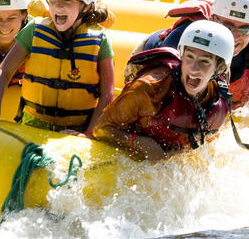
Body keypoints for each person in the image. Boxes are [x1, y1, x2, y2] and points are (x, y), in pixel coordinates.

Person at [0, 0, 115, 136]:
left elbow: (108, 94)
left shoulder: (100, 41)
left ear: (85, 6)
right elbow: (4, 71)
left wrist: (89, 133)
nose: (58, 7)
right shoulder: (34, 31)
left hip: (76, 129)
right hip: (33, 123)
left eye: (67, 1)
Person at [93, 20, 235, 161]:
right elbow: (100, 128)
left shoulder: (217, 97)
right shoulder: (149, 88)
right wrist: (139, 143)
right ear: (181, 55)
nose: (193, 68)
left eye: (204, 61)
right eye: (189, 57)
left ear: (220, 68)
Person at [135, 0, 249, 111]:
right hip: (151, 59)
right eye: (227, 26)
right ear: (213, 19)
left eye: (244, 29)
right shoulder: (183, 41)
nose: (235, 37)